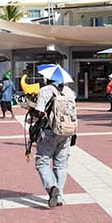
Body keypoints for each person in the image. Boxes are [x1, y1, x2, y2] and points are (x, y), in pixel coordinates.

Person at [32, 76, 77, 208]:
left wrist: (31, 109)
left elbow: (39, 112)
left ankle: (51, 187)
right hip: (67, 132)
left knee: (42, 162)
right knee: (61, 165)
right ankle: (59, 197)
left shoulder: (45, 91)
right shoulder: (69, 92)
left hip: (49, 132)